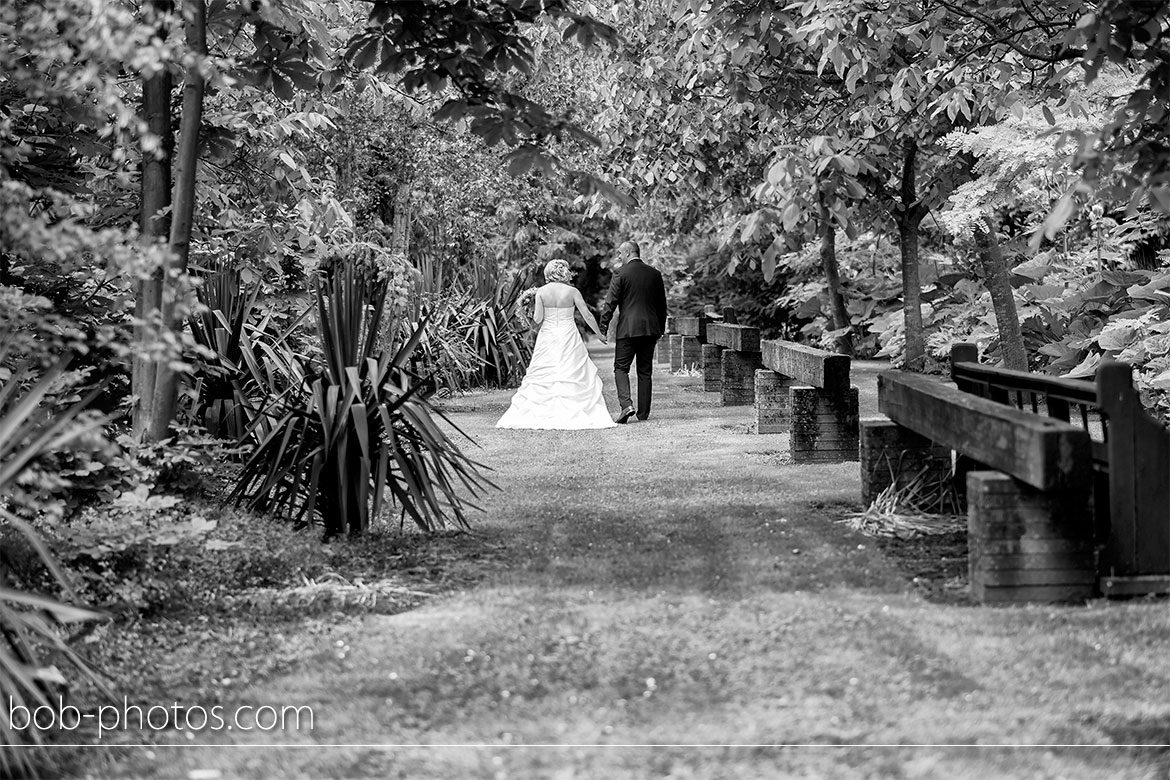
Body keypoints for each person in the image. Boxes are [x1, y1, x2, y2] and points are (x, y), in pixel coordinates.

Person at [496, 259, 616, 430]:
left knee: (546, 369)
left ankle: (542, 409)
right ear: (563, 272)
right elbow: (587, 315)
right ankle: (575, 407)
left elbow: (538, 319)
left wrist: (526, 309)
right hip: (569, 335)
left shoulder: (541, 293)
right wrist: (600, 334)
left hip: (548, 336)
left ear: (548, 273)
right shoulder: (572, 292)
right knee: (571, 369)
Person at [599, 240, 668, 424]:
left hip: (628, 330)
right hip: (649, 329)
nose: (619, 257)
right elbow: (662, 305)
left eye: (620, 254)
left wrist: (603, 327)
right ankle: (643, 414)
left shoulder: (621, 273)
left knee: (621, 368)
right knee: (645, 371)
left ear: (628, 252)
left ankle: (626, 405)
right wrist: (660, 328)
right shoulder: (654, 274)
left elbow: (610, 302)